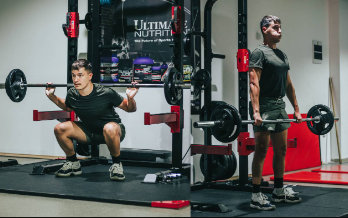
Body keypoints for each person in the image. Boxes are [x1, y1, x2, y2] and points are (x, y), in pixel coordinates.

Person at [46, 59, 138, 181]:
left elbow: (130, 108)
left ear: (90, 76)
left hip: (113, 131)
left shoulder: (105, 92)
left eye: (80, 75)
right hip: (88, 132)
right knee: (60, 128)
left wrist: (130, 98)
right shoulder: (72, 93)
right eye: (73, 76)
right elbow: (67, 107)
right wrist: (52, 96)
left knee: (109, 128)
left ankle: (116, 164)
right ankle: (73, 162)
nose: (76, 80)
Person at [248, 15, 302, 210]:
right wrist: (256, 111)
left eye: (280, 27)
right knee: (262, 150)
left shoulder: (282, 55)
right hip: (264, 105)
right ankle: (256, 195)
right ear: (264, 30)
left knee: (281, 149)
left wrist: (296, 108)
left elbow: (288, 84)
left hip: (279, 105)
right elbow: (254, 83)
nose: (280, 31)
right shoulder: (258, 53)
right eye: (275, 27)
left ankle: (278, 191)